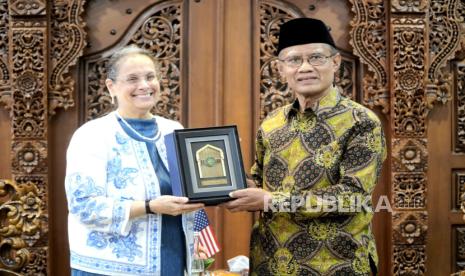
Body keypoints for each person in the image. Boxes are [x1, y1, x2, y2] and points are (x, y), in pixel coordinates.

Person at [223, 18, 386, 275]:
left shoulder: (361, 122)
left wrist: (271, 200)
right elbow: (259, 181)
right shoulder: (272, 122)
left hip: (336, 265)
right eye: (294, 60)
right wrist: (225, 182)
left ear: (335, 62)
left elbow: (352, 197)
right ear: (281, 69)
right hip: (270, 262)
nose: (305, 67)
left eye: (316, 58)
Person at [65, 45, 204, 276]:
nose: (144, 85)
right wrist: (149, 207)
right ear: (112, 87)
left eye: (150, 77)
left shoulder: (174, 130)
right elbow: (84, 206)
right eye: (132, 79)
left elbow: (192, 193)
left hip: (173, 260)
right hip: (110, 267)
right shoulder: (92, 134)